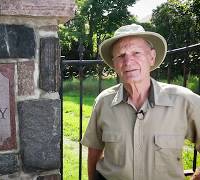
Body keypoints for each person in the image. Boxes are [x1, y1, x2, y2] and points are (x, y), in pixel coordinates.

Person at [81, 24, 200, 180]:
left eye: (136, 53)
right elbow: (94, 150)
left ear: (151, 57)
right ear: (114, 63)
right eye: (121, 55)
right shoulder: (104, 102)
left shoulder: (185, 101)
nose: (128, 61)